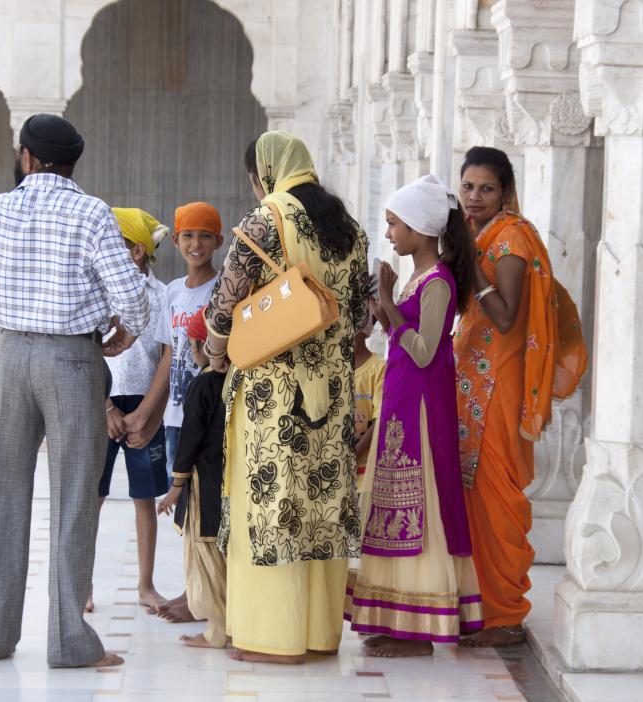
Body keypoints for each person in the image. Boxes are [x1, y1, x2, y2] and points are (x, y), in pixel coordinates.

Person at [0, 114, 149, 668]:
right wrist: (128, 327)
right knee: (74, 497)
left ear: (25, 155)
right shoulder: (91, 212)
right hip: (73, 358)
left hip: (14, 355)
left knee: (1, 492)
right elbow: (133, 292)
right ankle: (70, 639)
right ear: (73, 161)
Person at [203, 130, 370, 664]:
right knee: (320, 503)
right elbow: (362, 314)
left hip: (274, 395)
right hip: (335, 394)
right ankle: (320, 634)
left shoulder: (266, 220)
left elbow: (224, 306)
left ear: (264, 174)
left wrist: (214, 351)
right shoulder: (350, 229)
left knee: (272, 506)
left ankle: (273, 639)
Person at [453, 146, 586, 647]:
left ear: (506, 192)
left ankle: (505, 614)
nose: (475, 197)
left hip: (499, 386)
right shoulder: (479, 235)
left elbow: (505, 315)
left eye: (487, 189)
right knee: (475, 497)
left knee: (497, 497)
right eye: (468, 187)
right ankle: (480, 607)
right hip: (474, 383)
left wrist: (472, 263)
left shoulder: (509, 239)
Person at [345, 175, 483, 657]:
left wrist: (387, 303)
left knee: (418, 507)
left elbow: (424, 351)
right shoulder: (419, 277)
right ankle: (398, 617)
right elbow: (401, 336)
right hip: (404, 405)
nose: (388, 234)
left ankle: (421, 630)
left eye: (393, 224)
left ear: (421, 230)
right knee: (394, 506)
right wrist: (384, 307)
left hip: (422, 412)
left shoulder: (439, 282)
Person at [134, 201, 224, 622]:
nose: (196, 243)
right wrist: (147, 414)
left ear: (219, 243)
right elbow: (168, 358)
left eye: (205, 235)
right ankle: (195, 589)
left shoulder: (226, 288)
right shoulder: (172, 292)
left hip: (211, 416)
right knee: (186, 511)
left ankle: (202, 596)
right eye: (188, 235)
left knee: (205, 506)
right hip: (175, 418)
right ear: (175, 240)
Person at [87, 207, 171, 614]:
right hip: (99, 403)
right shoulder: (96, 292)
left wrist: (150, 415)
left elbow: (166, 359)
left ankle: (145, 585)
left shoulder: (162, 296)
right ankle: (81, 585)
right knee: (93, 497)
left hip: (145, 406)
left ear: (137, 251)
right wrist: (104, 406)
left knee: (144, 498)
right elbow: (85, 351)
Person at [157, 307, 228, 649]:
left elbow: (190, 439)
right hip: (230, 484)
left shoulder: (203, 384)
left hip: (204, 482)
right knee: (224, 554)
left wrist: (176, 487)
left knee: (205, 553)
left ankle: (217, 630)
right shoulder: (239, 379)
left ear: (198, 343)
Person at [352, 308, 385, 489]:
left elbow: (380, 422)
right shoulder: (333, 370)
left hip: (364, 480)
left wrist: (352, 456)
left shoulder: (379, 369)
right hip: (335, 480)